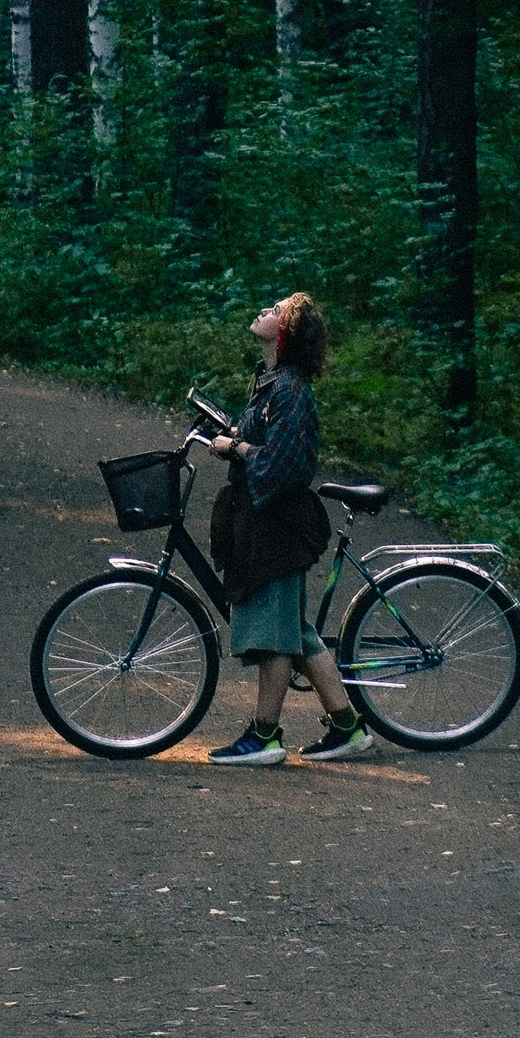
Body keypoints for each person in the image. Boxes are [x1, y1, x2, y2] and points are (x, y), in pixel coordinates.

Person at [206, 292, 373, 765]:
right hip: (265, 520)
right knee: (295, 632)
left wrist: (234, 450)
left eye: (275, 311)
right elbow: (263, 439)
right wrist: (232, 435)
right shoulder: (270, 382)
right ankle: (348, 727)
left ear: (286, 333)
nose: (264, 311)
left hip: (277, 526)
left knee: (276, 634)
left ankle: (264, 737)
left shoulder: (290, 390)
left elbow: (287, 464)